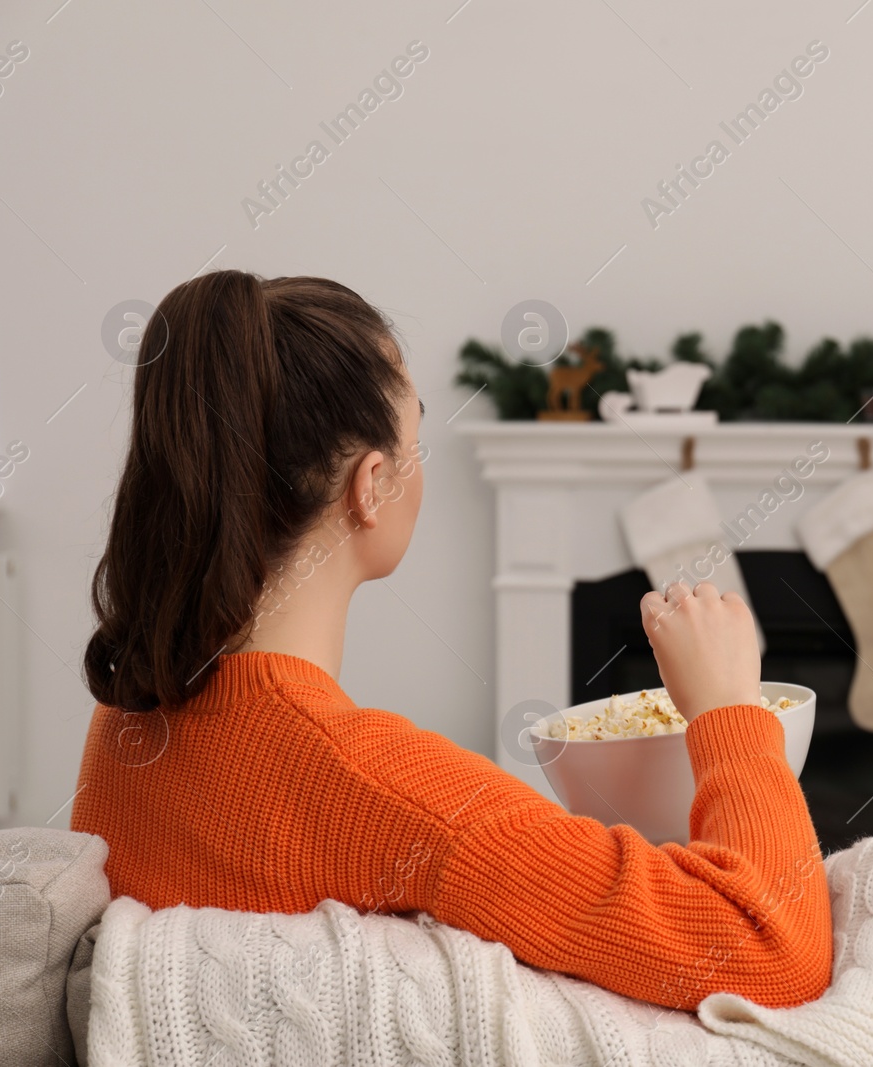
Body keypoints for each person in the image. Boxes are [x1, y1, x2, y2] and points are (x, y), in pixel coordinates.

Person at [70, 270, 832, 1011]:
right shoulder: (386, 789)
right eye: (415, 440)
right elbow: (769, 950)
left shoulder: (121, 730)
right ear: (370, 486)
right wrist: (729, 712)